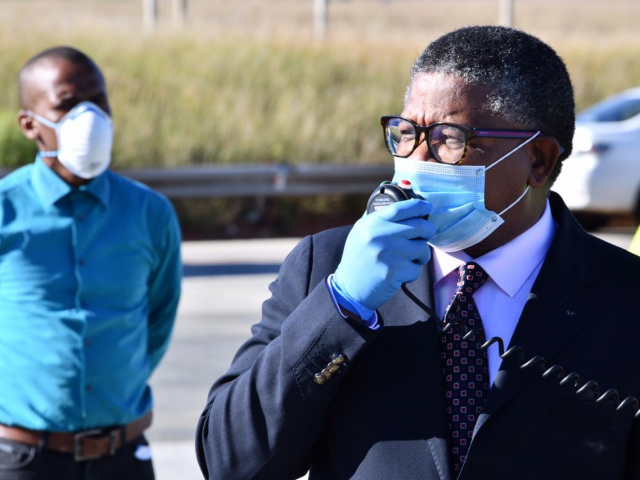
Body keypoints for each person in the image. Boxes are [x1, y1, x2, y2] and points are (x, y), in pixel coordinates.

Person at [196, 26, 640, 480]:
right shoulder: (328, 264)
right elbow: (230, 462)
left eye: (450, 139)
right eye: (407, 133)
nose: (416, 160)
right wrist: (341, 307)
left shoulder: (626, 297)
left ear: (539, 160)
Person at [0, 47, 181, 479]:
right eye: (67, 105)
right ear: (30, 124)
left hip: (124, 457)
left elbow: (158, 319)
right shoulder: (6, 211)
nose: (89, 117)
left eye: (98, 102)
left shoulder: (149, 213)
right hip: (23, 460)